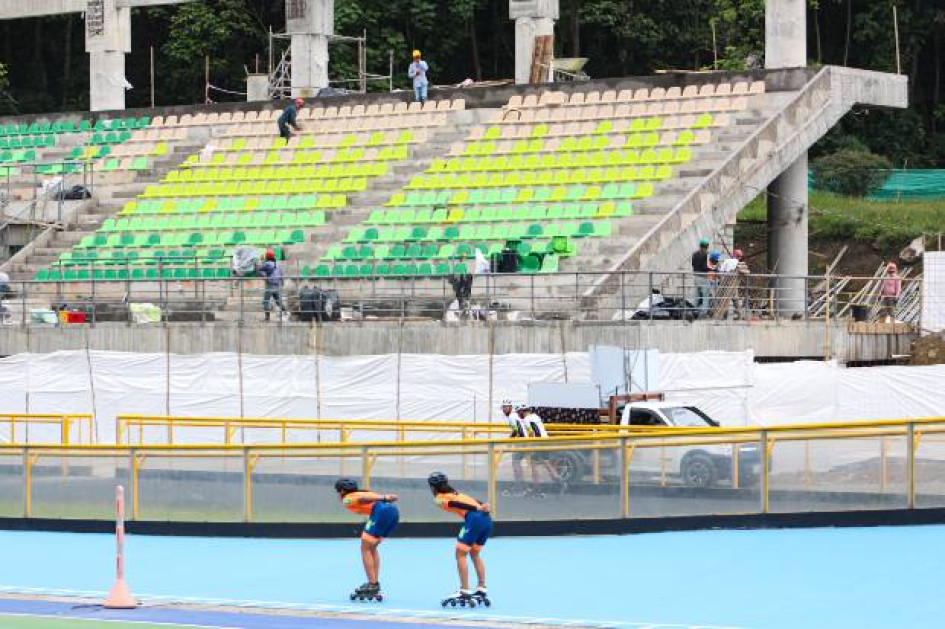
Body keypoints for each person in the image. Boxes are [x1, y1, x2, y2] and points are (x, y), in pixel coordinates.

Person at [428, 471, 492, 607]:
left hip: (474, 519)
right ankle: (481, 587)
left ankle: (464, 590)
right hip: (486, 519)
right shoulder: (456, 493)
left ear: (432, 487)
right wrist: (483, 505)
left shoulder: (439, 498)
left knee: (460, 554)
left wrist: (477, 507)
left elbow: (455, 504)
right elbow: (473, 502)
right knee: (475, 554)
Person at [335, 478, 400, 602]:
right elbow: (366, 499)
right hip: (393, 512)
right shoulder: (363, 492)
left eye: (338, 491)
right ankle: (374, 582)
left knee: (365, 548)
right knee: (372, 547)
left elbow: (362, 500)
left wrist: (385, 497)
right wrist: (383, 498)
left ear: (342, 491)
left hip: (381, 512)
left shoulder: (348, 498)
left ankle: (372, 584)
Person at [258, 249, 288, 322]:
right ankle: (286, 312)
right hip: (277, 285)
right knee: (278, 301)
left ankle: (267, 318)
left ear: (267, 256)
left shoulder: (267, 264)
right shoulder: (277, 264)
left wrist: (264, 275)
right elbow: (281, 274)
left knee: (265, 302)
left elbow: (259, 269)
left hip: (270, 285)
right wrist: (282, 283)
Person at [691, 238, 710, 317]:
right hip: (704, 277)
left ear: (700, 245)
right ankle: (703, 312)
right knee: (705, 295)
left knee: (696, 295)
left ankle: (694, 311)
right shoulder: (706, 254)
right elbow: (705, 267)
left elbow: (693, 264)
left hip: (696, 276)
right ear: (707, 246)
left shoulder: (694, 254)